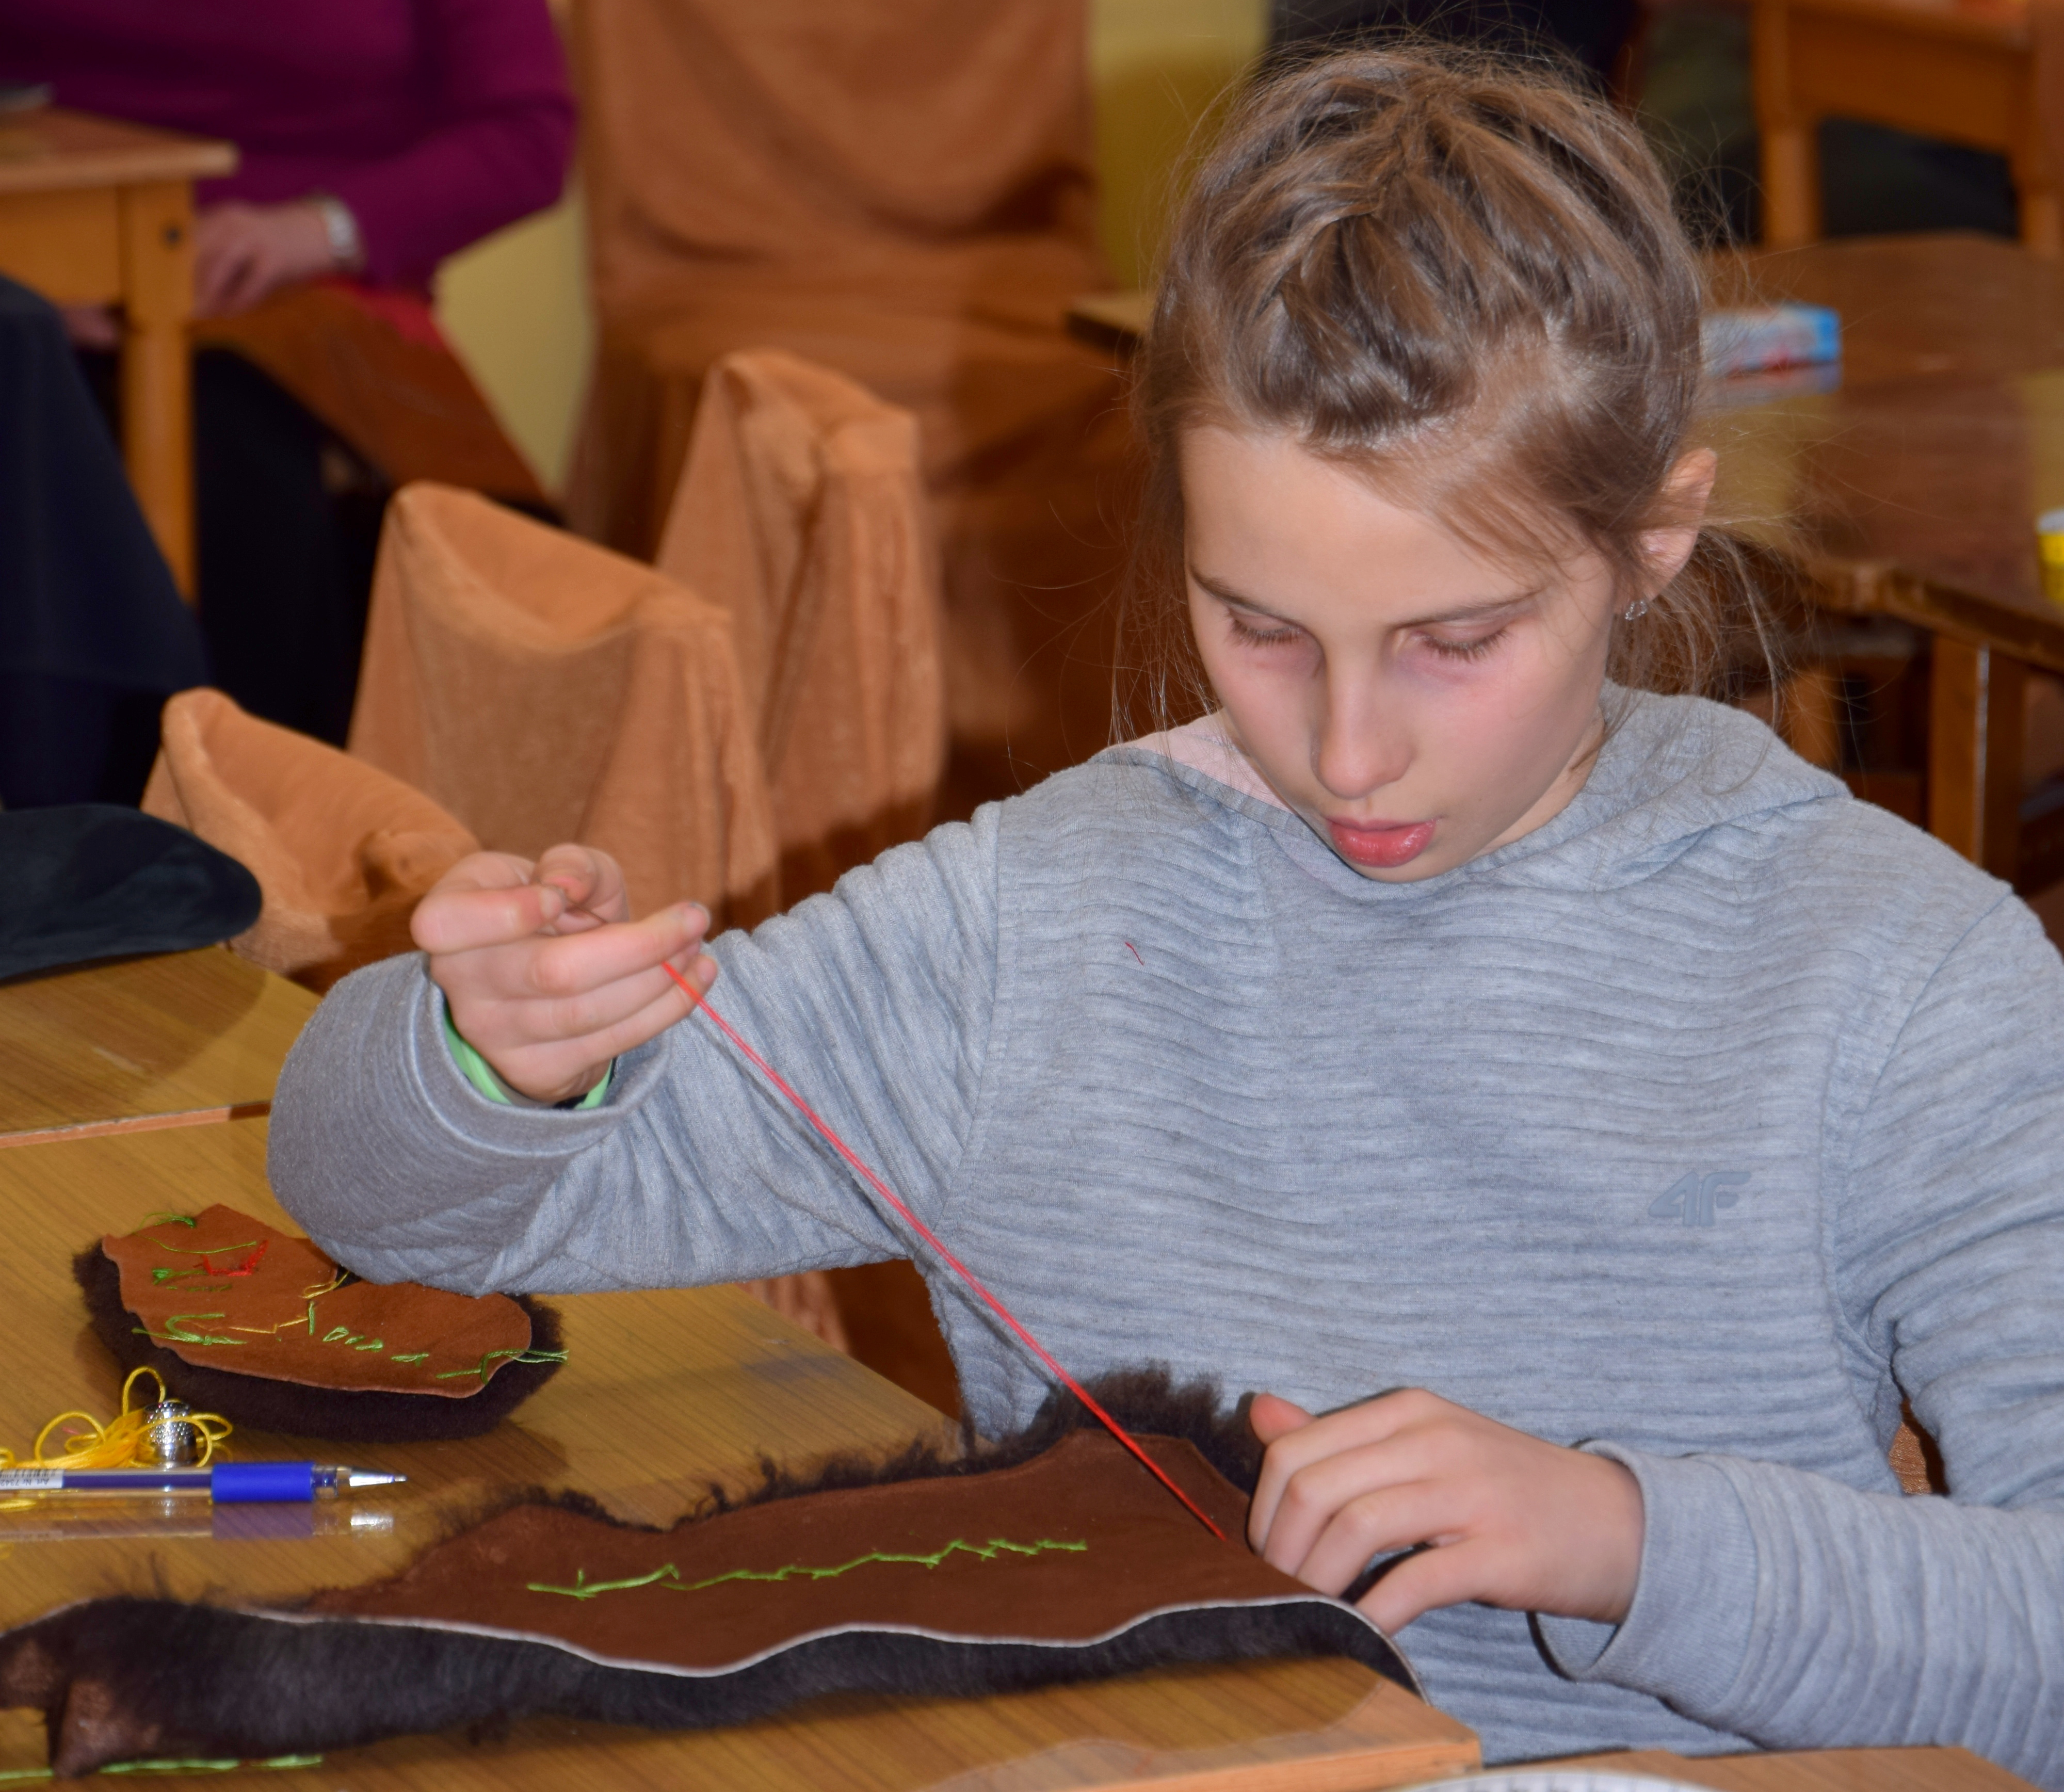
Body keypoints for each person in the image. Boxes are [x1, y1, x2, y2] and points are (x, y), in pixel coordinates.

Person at [267, 47, 2064, 1779]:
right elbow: (377, 1207)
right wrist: (484, 1059)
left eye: (1455, 641)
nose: (1346, 752)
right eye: (1259, 627)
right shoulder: (1035, 917)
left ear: (1657, 533)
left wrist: (1620, 1536)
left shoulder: (1903, 970)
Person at [3, 0, 573, 744]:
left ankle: (245, 786)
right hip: (43, 279)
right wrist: (36, 268)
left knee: (236, 480)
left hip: (299, 293)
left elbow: (527, 134)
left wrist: (317, 229)